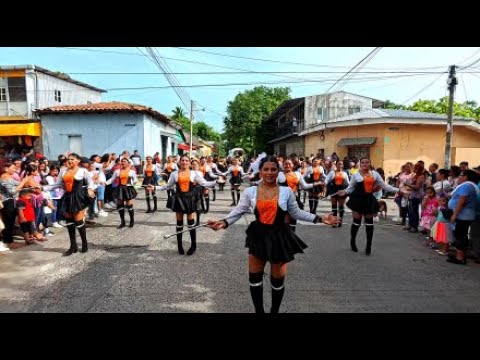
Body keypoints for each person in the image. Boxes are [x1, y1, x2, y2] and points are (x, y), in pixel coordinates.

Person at [207, 156, 337, 313]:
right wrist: (224, 222)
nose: (269, 172)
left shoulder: (286, 191)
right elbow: (239, 211)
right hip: (258, 235)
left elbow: (296, 213)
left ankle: (274, 311)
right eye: (266, 169)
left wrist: (321, 218)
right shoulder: (250, 191)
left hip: (280, 237)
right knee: (254, 279)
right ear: (260, 171)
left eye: (273, 169)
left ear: (278, 171)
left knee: (277, 281)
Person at [147, 155, 216, 256]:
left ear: (189, 163)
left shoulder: (194, 173)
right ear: (179, 162)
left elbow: (205, 183)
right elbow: (167, 186)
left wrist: (216, 181)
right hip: (179, 199)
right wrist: (155, 188)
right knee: (179, 224)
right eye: (182, 160)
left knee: (191, 223)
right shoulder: (174, 174)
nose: (184, 162)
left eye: (186, 160)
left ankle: (193, 245)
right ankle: (179, 245)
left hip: (190, 199)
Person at [337, 158, 399, 255]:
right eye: (363, 162)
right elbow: (350, 188)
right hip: (357, 200)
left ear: (370, 163)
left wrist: (398, 190)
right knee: (356, 223)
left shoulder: (375, 174)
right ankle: (353, 241)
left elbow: (385, 186)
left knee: (369, 223)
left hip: (369, 200)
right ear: (360, 164)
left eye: (367, 162)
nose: (365, 164)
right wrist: (344, 191)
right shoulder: (356, 175)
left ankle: (368, 245)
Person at [43, 153, 95, 256]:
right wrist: (43, 188)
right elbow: (58, 184)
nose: (70, 161)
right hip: (67, 197)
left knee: (78, 222)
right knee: (69, 223)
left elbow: (90, 183)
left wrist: (90, 190)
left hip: (78, 198)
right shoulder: (63, 171)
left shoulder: (83, 171)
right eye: (68, 159)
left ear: (78, 161)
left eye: (72, 159)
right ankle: (73, 246)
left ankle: (84, 244)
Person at [105, 158, 138, 228]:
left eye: (124, 161)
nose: (123, 162)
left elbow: (135, 179)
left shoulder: (131, 172)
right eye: (122, 161)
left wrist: (134, 182)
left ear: (128, 163)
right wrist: (105, 183)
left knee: (129, 205)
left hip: (128, 188)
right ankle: (122, 222)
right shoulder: (117, 171)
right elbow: (112, 179)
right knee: (120, 205)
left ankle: (132, 220)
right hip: (120, 189)